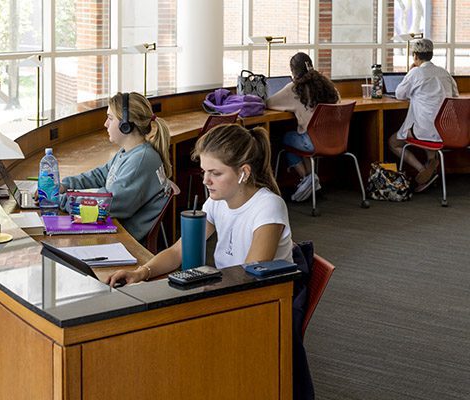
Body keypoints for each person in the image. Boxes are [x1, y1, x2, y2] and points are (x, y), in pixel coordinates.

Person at [107, 123, 293, 286]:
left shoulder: (268, 207)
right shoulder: (216, 202)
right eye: (204, 171)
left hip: (263, 301)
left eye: (215, 173)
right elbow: (177, 251)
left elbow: (250, 276)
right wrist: (140, 273)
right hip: (231, 289)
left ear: (244, 172)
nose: (206, 181)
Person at [59, 92, 172, 243]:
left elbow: (107, 204)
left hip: (123, 240)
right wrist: (65, 185)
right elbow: (101, 174)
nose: (105, 124)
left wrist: (62, 200)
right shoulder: (129, 152)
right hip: (114, 229)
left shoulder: (141, 160)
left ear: (126, 125)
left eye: (110, 118)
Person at [265, 52, 340, 202]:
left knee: (286, 138)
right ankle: (311, 182)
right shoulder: (326, 85)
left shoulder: (294, 88)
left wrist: (289, 107)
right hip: (334, 140)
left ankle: (308, 179)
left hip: (311, 143)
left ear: (293, 71)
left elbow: (269, 103)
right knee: (299, 137)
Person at [387, 38, 459, 193]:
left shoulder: (415, 73)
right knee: (430, 132)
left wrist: (410, 73)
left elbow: (400, 94)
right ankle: (431, 164)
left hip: (425, 130)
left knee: (394, 142)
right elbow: (455, 96)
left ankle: (422, 170)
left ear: (415, 56)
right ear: (431, 54)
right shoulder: (445, 73)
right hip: (446, 130)